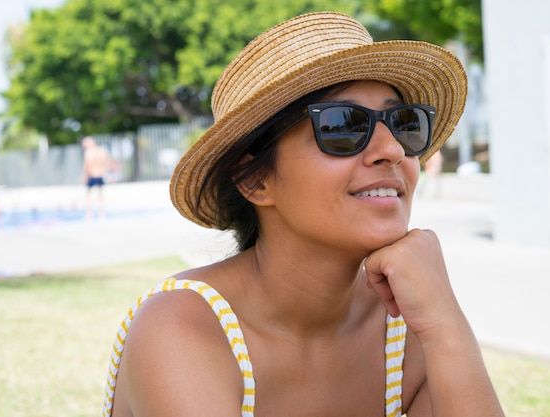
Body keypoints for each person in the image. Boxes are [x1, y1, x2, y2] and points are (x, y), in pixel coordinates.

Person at [102, 12, 505, 417]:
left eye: (403, 123)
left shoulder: (409, 329)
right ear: (254, 180)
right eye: (343, 126)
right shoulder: (183, 328)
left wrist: (445, 323)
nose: (394, 150)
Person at [81, 136, 112, 219]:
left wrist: (85, 176)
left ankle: (89, 213)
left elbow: (87, 165)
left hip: (92, 175)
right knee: (100, 195)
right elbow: (107, 163)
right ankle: (101, 214)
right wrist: (109, 176)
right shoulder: (102, 150)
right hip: (101, 175)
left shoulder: (89, 152)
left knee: (88, 195)